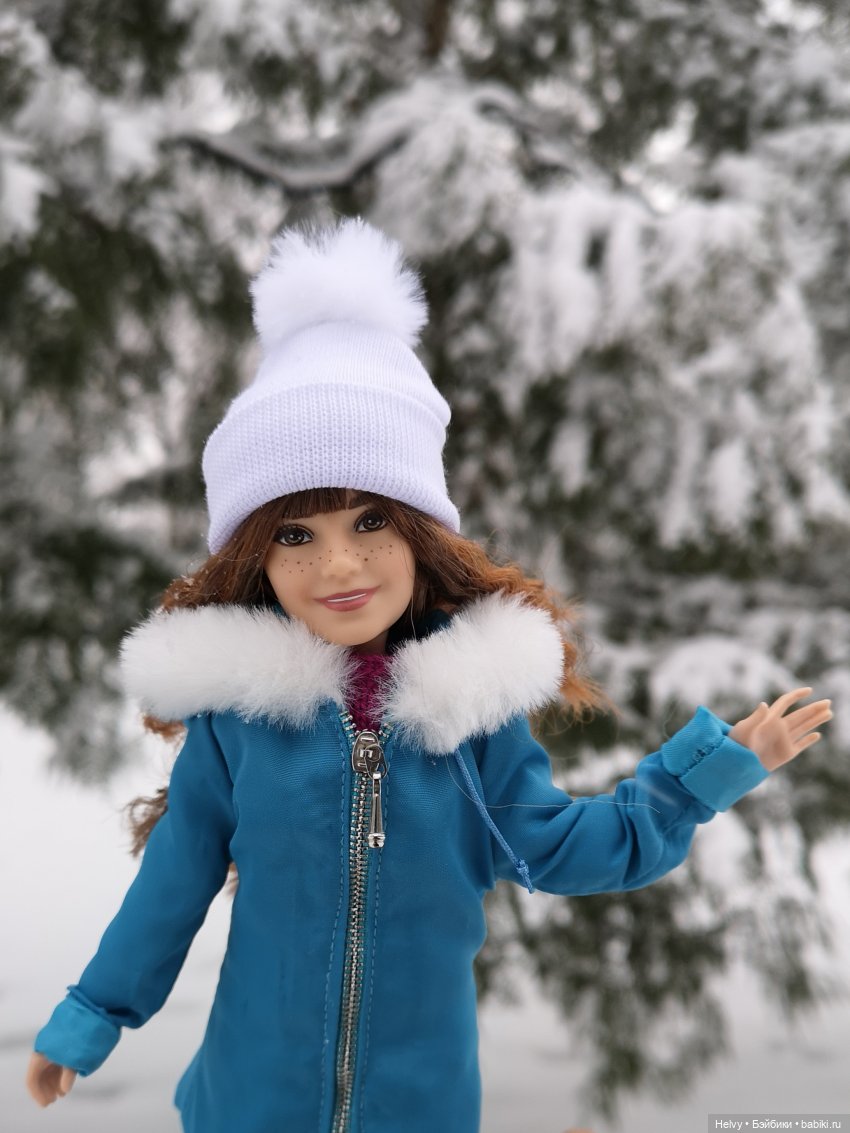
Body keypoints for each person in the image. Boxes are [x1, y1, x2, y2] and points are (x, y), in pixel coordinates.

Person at [26, 219, 831, 1133]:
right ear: (256, 558)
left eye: (371, 521)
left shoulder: (470, 716)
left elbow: (562, 848)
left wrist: (697, 778)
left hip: (420, 1105)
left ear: (420, 535)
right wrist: (90, 1016)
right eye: (295, 534)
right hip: (250, 1100)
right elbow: (172, 885)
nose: (339, 564)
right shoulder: (238, 722)